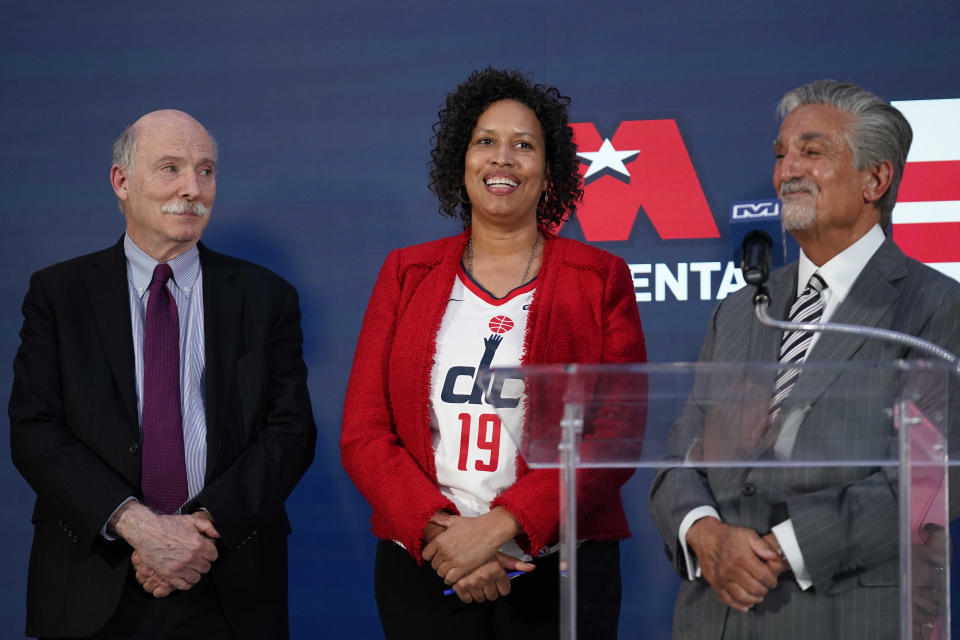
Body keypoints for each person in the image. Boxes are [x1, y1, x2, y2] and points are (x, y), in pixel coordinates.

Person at [340, 68, 646, 639]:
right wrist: (447, 536)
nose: (502, 159)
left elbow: (614, 434)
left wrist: (503, 526)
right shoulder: (406, 273)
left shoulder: (599, 278)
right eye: (486, 141)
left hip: (560, 569)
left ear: (549, 170)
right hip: (427, 566)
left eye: (523, 145)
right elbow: (364, 430)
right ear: (461, 159)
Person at [649, 80, 960, 639]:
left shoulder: (938, 307)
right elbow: (680, 454)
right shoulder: (741, 310)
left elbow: (933, 479)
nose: (786, 170)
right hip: (715, 615)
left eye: (811, 153)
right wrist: (704, 533)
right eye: (780, 155)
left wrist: (781, 550)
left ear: (876, 179)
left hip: (844, 615)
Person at [9, 109, 317, 639]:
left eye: (206, 170)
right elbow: (35, 430)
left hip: (227, 578)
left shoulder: (266, 297)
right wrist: (139, 527)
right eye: (170, 168)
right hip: (92, 581)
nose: (193, 189)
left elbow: (290, 432)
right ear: (121, 181)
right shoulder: (59, 295)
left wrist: (197, 532)